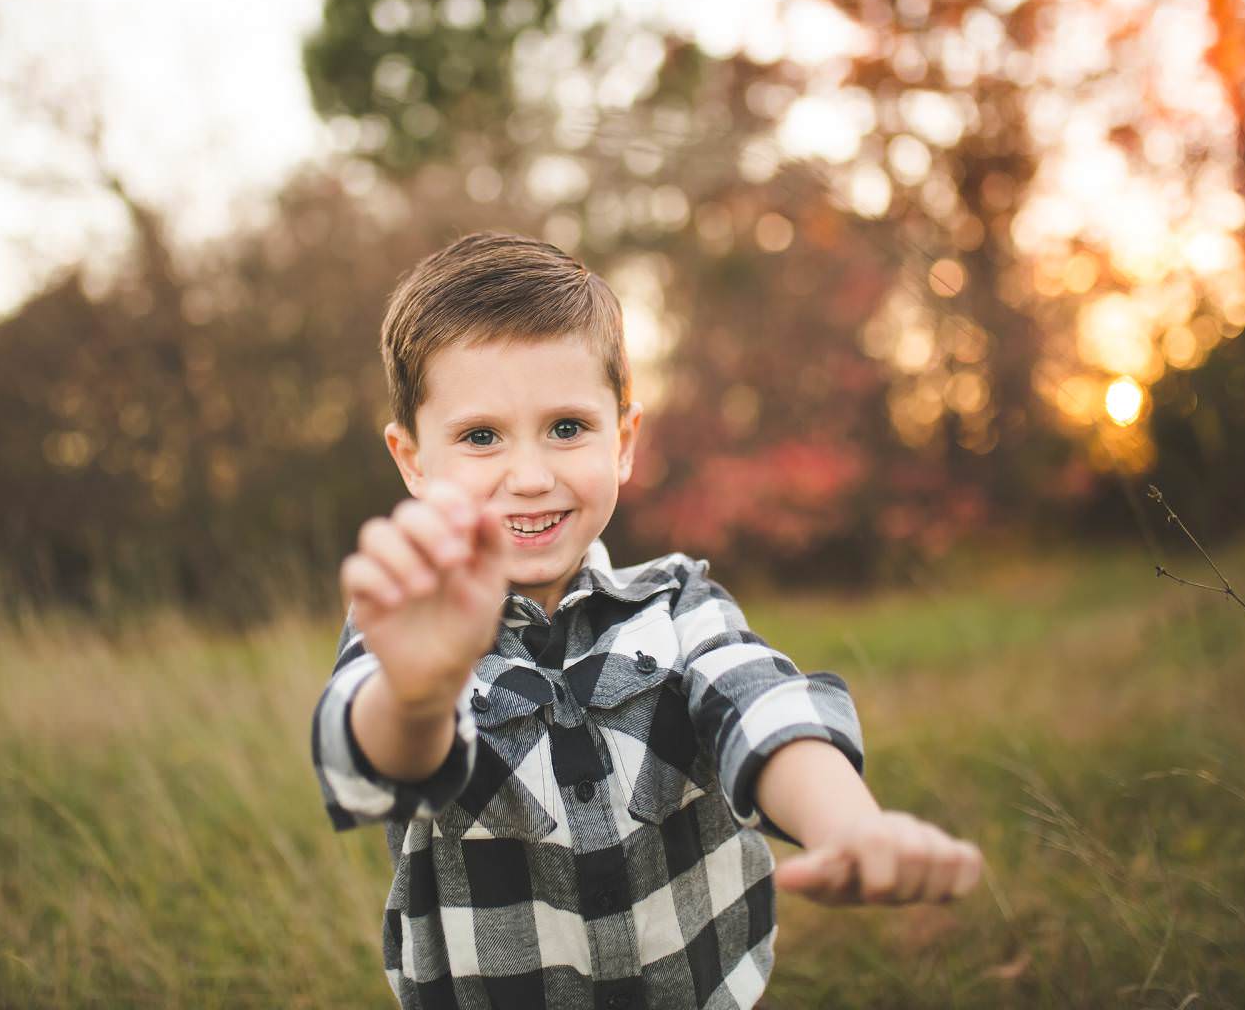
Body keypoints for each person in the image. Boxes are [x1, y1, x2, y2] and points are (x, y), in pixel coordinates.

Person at [311, 231, 982, 1010]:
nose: (529, 477)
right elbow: (372, 766)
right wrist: (419, 694)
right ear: (414, 462)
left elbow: (763, 708)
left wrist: (850, 827)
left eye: (567, 427)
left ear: (623, 441)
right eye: (480, 437)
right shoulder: (408, 624)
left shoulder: (677, 607)